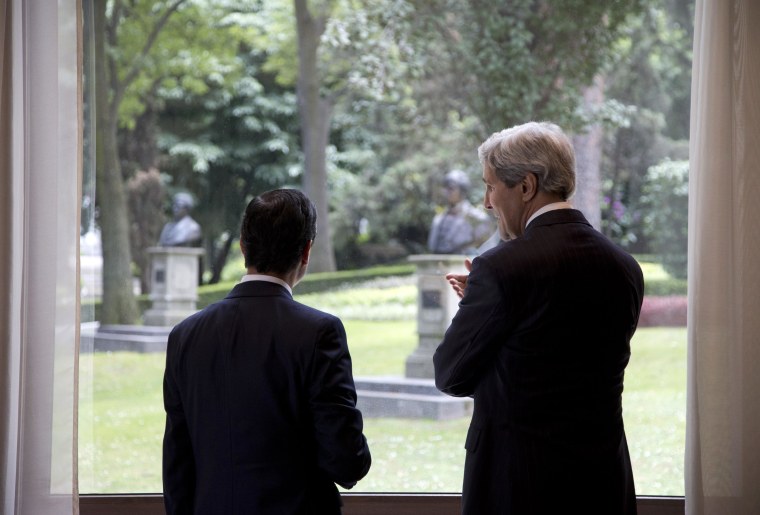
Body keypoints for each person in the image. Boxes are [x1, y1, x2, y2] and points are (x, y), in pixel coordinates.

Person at [433, 122, 644, 515]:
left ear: (526, 186)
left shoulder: (499, 269)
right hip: (604, 486)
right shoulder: (625, 267)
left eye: (491, 186)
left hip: (518, 488)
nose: (486, 202)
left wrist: (477, 306)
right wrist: (488, 304)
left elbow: (450, 373)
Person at [162, 188, 371, 514]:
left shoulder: (184, 336)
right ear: (306, 251)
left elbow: (177, 464)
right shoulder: (319, 333)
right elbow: (347, 463)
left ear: (243, 247)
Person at [427, 169, 495, 255]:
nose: (446, 192)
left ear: (462, 190)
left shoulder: (477, 218)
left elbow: (488, 250)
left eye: (451, 188)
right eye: (445, 188)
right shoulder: (438, 219)